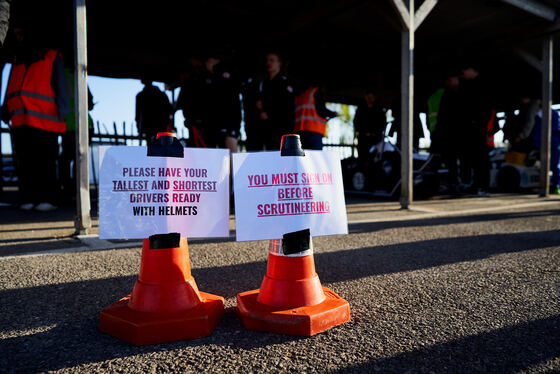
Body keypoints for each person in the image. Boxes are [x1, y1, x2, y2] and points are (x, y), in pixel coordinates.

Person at [0, 24, 70, 211]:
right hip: (20, 120)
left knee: (44, 162)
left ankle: (48, 198)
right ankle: (28, 197)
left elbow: (60, 84)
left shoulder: (51, 56)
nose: (19, 39)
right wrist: (5, 109)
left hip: (44, 119)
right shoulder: (17, 59)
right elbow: (10, 86)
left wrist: (63, 108)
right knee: (24, 163)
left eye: (21, 34)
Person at [176, 52, 241, 152]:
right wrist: (192, 121)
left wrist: (234, 130)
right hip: (205, 129)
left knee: (229, 160)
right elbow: (187, 104)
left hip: (226, 128)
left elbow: (235, 105)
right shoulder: (197, 80)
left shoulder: (227, 79)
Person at [455, 61, 493, 196]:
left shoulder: (481, 85)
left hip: (477, 127)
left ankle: (482, 186)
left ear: (472, 69)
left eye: (465, 70)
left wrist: (475, 122)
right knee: (474, 157)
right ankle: (476, 184)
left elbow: (485, 109)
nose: (463, 74)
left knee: (480, 157)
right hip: (473, 127)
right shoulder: (470, 85)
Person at [245, 51, 295, 151]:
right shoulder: (263, 83)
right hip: (264, 129)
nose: (269, 63)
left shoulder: (285, 83)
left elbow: (287, 107)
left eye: (272, 60)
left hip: (281, 128)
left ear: (279, 63)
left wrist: (270, 114)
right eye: (267, 60)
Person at [58, 67, 95, 200]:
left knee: (68, 160)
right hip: (79, 125)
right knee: (78, 159)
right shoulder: (79, 77)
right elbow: (90, 104)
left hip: (70, 125)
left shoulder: (62, 76)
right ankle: (76, 191)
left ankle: (71, 190)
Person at [429, 72, 461, 192]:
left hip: (435, 132)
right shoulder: (448, 94)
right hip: (446, 133)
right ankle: (452, 183)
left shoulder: (432, 97)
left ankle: (434, 184)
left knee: (436, 160)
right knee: (450, 160)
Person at [294, 84, 337, 150]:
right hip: (313, 132)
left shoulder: (299, 94)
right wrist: (332, 114)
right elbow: (321, 110)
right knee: (315, 157)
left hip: (299, 132)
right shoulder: (315, 92)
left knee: (302, 157)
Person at [135, 76, 172, 145]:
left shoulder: (141, 96)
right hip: (158, 125)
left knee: (152, 145)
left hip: (151, 126)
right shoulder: (161, 94)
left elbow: (138, 114)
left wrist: (138, 126)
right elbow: (169, 110)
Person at [353, 89, 386, 162]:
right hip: (363, 139)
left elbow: (383, 123)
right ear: (365, 97)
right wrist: (363, 132)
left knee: (375, 159)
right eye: (368, 97)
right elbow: (356, 123)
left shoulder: (379, 110)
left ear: (374, 98)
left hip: (375, 139)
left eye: (371, 97)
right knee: (362, 158)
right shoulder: (360, 109)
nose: (370, 99)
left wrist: (375, 133)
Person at [533, 107, 560, 194]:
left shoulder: (540, 113)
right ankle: (554, 186)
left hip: (548, 142)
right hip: (553, 142)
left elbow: (537, 130)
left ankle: (550, 186)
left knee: (548, 165)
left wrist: (536, 144)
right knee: (553, 165)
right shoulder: (554, 113)